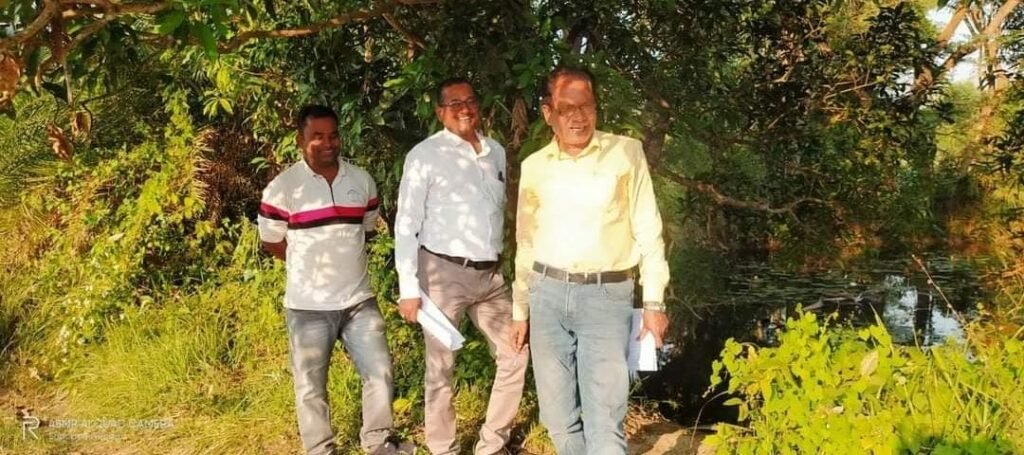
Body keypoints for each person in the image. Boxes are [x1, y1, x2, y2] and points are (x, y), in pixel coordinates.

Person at [513, 66, 671, 454]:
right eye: (567, 109)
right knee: (557, 418)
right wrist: (520, 309)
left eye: (586, 106)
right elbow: (525, 242)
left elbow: (648, 229)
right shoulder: (534, 166)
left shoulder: (626, 153)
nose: (578, 117)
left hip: (606, 297)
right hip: (546, 295)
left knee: (604, 420)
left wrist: (654, 303)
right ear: (548, 113)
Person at [257, 105, 411, 455]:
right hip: (307, 307)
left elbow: (365, 230)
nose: (328, 143)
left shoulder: (361, 180)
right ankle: (320, 449)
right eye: (317, 137)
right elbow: (272, 241)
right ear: (300, 140)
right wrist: (304, 263)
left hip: (359, 301)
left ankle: (378, 443)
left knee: (380, 372)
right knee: (310, 386)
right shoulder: (283, 188)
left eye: (333, 135)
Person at [394, 78, 529, 455]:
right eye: (454, 103)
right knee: (441, 367)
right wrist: (408, 288)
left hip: (491, 277)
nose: (464, 108)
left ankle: (492, 444)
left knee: (516, 353)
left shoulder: (495, 151)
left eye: (470, 101)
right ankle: (443, 448)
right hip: (442, 273)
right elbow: (406, 223)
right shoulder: (425, 155)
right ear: (440, 112)